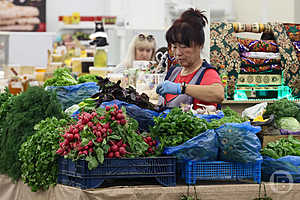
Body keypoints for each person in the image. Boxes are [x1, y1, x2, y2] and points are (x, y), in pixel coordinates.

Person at [156, 8, 224, 109]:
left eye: (183, 47)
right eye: (174, 47)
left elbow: (218, 94)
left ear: (200, 45)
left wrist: (182, 88)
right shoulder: (173, 72)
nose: (178, 53)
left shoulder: (207, 73)